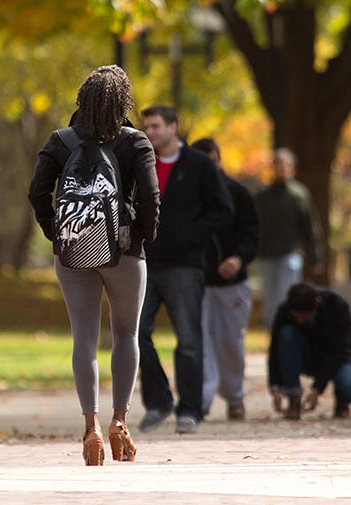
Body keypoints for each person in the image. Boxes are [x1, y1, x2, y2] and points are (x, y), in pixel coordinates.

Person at [28, 65, 160, 465]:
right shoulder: (136, 142)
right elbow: (152, 200)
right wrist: (138, 237)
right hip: (123, 252)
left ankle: (91, 426)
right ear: (124, 103)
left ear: (81, 101)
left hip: (72, 255)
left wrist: (59, 235)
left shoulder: (60, 140)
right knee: (125, 332)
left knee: (83, 339)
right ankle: (121, 421)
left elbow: (37, 193)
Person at [136, 106, 233, 435]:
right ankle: (159, 402)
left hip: (184, 267)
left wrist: (190, 234)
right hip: (144, 263)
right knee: (136, 335)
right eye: (146, 126)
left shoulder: (199, 165)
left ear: (172, 127)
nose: (149, 132)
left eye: (155, 126)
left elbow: (223, 209)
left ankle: (189, 409)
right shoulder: (139, 161)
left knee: (189, 340)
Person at [191, 138, 259, 420]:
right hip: (198, 281)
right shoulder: (187, 195)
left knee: (231, 343)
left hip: (232, 283)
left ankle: (234, 397)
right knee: (199, 343)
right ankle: (202, 400)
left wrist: (238, 258)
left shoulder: (237, 192)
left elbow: (251, 231)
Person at [268, 283, 351, 420]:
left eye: (304, 316)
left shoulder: (337, 306)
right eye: (296, 317)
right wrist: (275, 385)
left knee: (350, 386)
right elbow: (275, 349)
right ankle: (293, 398)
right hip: (309, 353)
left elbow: (336, 351)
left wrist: (317, 388)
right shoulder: (284, 310)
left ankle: (342, 401)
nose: (299, 321)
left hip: (342, 355)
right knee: (286, 334)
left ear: (316, 304)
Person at [254, 148, 323, 327]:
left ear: (292, 168)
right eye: (279, 166)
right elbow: (254, 226)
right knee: (270, 300)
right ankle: (274, 332)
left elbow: (310, 227)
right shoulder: (263, 197)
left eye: (286, 166)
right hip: (267, 254)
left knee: (288, 296)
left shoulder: (299, 195)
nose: (282, 170)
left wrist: (315, 257)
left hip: (290, 254)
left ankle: (288, 329)